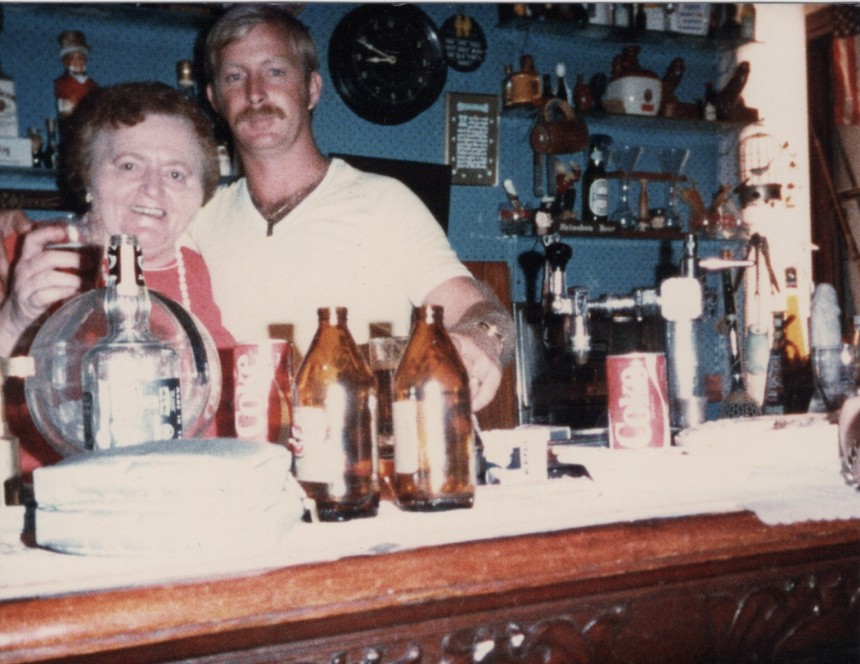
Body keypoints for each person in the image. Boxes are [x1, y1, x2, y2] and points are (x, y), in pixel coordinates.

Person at [192, 4, 514, 412]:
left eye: (275, 72)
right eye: (235, 77)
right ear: (214, 100)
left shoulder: (385, 202)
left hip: (366, 459)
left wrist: (481, 338)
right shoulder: (196, 218)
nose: (255, 93)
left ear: (311, 89)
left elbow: (481, 310)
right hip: (243, 463)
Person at [0, 82, 235, 473]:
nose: (153, 188)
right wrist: (12, 321)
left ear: (200, 195)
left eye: (177, 174)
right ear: (88, 179)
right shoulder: (23, 256)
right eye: (129, 165)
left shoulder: (195, 269)